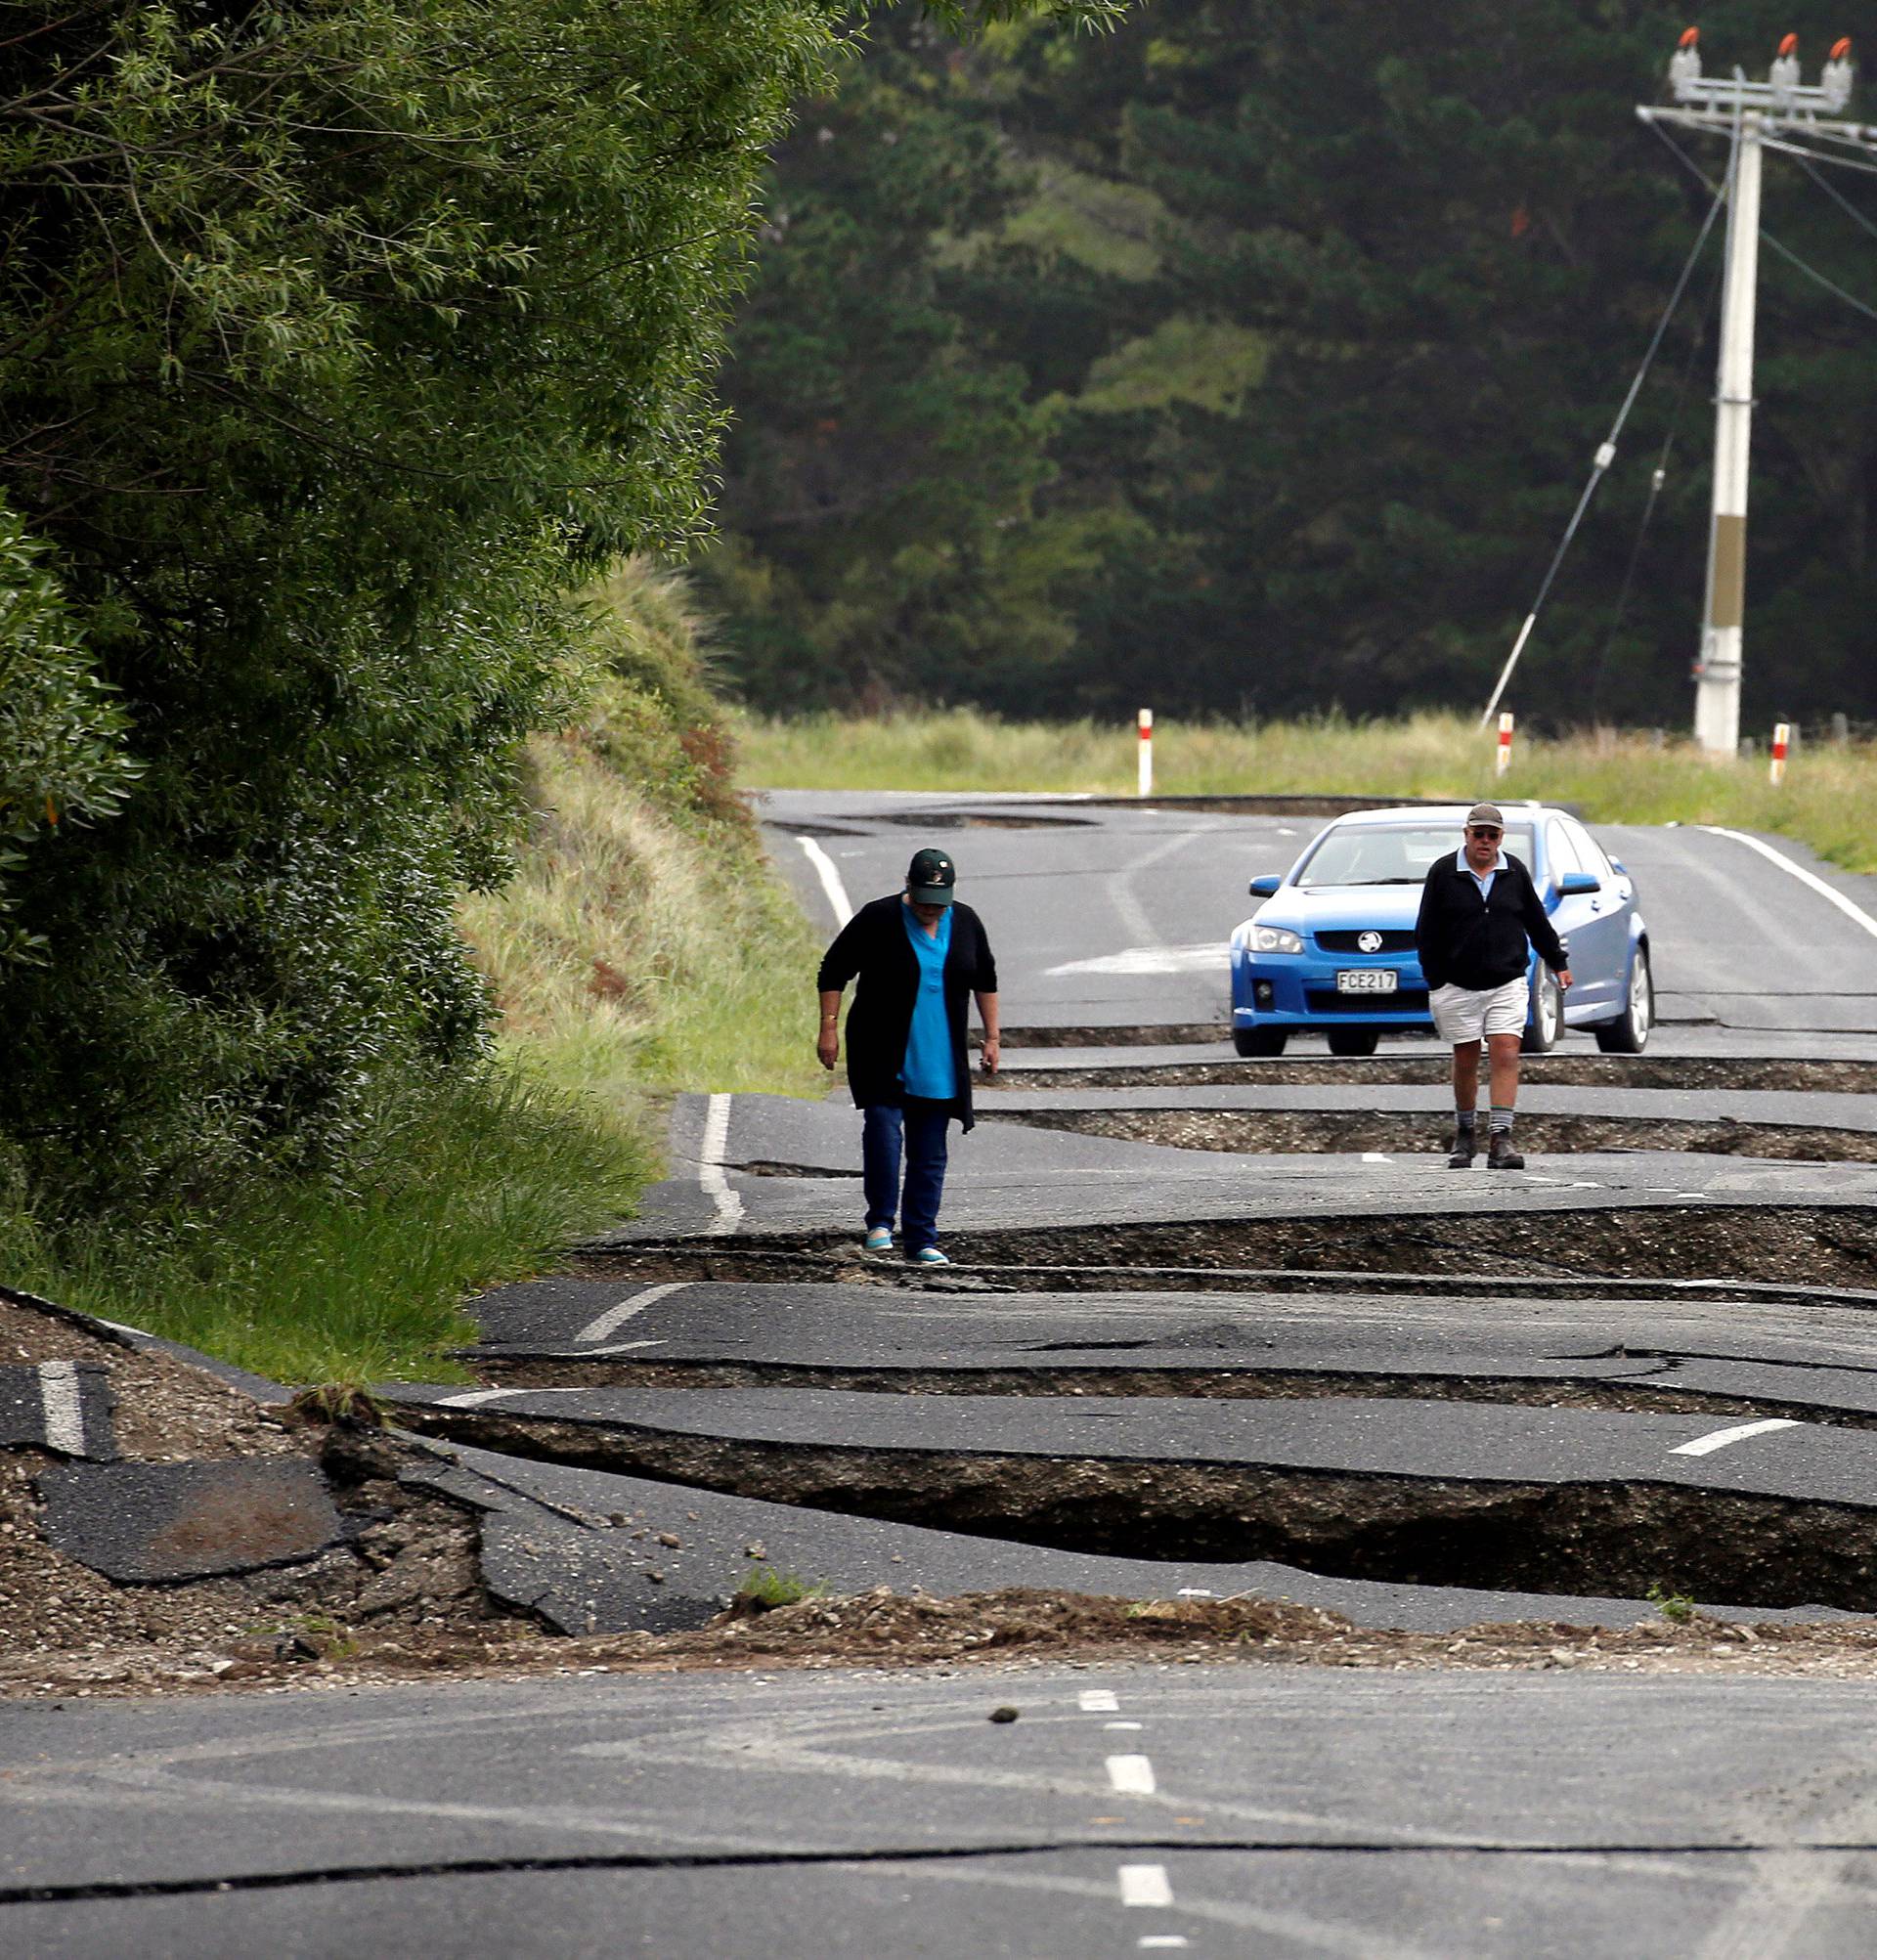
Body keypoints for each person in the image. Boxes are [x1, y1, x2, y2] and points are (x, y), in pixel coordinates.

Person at [815, 847, 1000, 1266]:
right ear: (907, 887)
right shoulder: (878, 918)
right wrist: (828, 1028)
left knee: (930, 1147)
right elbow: (833, 970)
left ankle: (921, 1238)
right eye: (923, 901)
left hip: (939, 1050)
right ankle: (880, 1222)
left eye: (939, 904)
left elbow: (986, 980)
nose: (931, 910)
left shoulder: (967, 922)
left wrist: (992, 1037)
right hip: (881, 1046)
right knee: (883, 1128)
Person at [1414, 802, 1571, 1171]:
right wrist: (1435, 978)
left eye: (1492, 835)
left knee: (1506, 1050)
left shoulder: (1514, 872)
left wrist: (1558, 962)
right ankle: (1465, 1134)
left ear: (1501, 838)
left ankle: (1501, 1139)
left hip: (1507, 980)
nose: (1485, 841)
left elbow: (1536, 920)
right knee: (1466, 1057)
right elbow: (1426, 931)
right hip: (1456, 984)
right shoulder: (1443, 873)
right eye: (1478, 834)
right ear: (1466, 835)